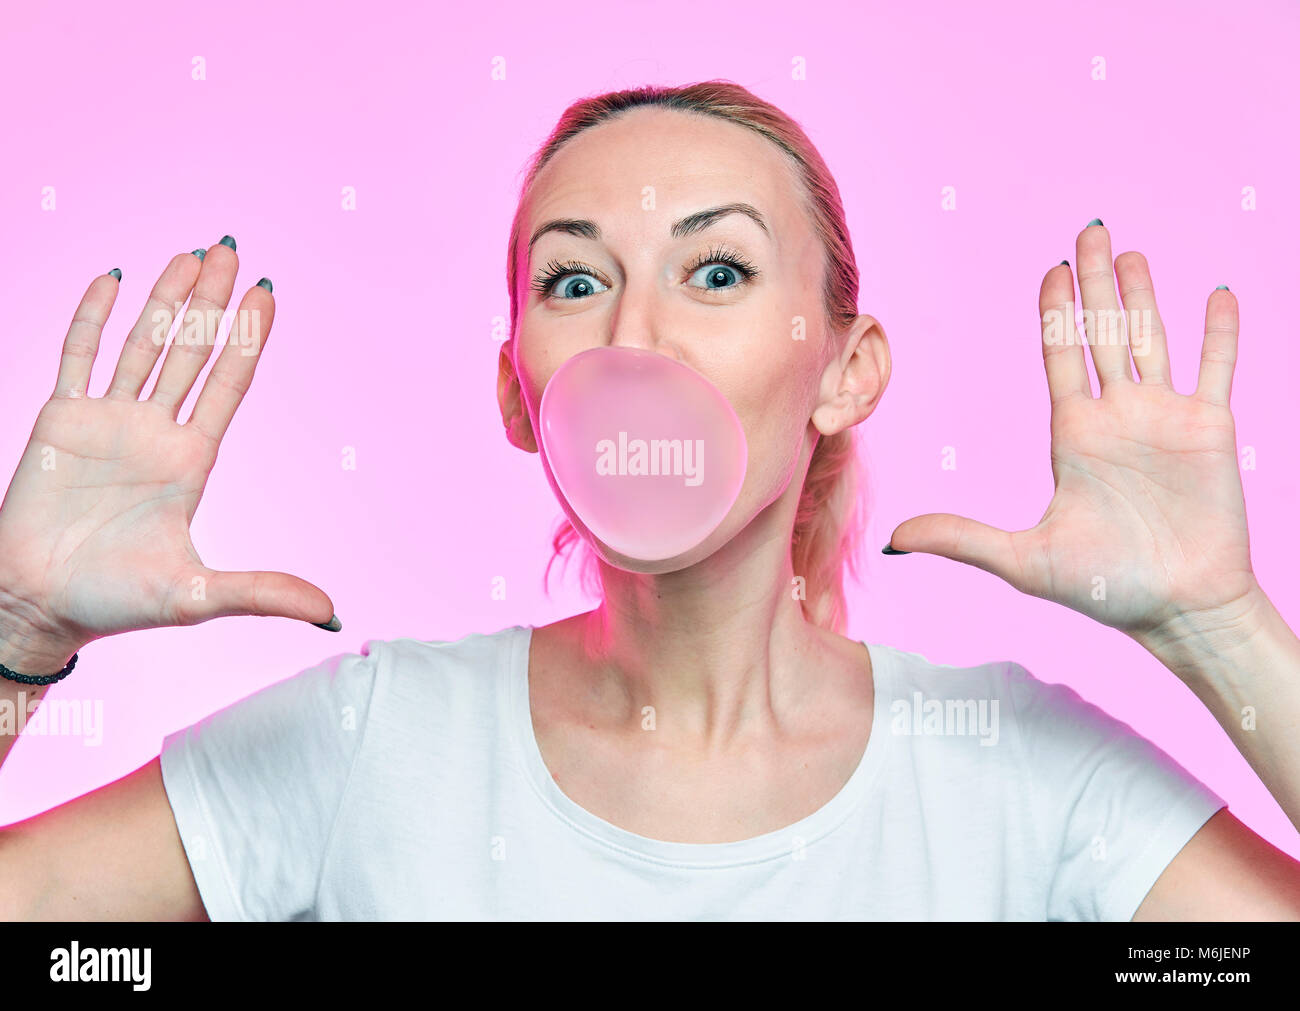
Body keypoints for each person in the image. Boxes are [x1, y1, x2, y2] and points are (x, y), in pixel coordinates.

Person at [2, 81, 1299, 921]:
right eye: (574, 284)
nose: (636, 336)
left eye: (718, 270)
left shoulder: (1019, 773)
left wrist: (1217, 623)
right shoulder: (363, 745)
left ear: (845, 373)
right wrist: (14, 636)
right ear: (521, 395)